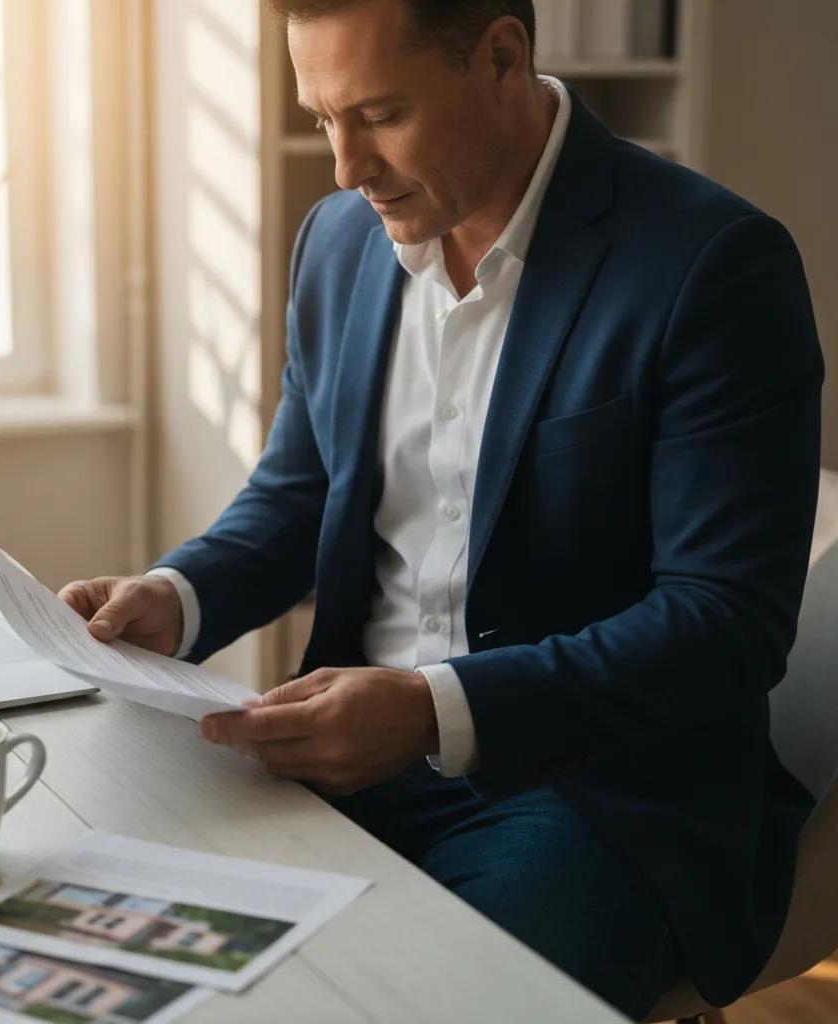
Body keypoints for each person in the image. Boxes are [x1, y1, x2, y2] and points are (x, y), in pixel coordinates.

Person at [59, 0, 824, 1017]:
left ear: (501, 55)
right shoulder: (337, 240)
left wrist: (430, 708)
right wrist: (176, 595)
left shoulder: (711, 264)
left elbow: (723, 623)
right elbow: (302, 492)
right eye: (323, 116)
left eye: (378, 113)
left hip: (598, 795)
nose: (344, 166)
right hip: (347, 759)